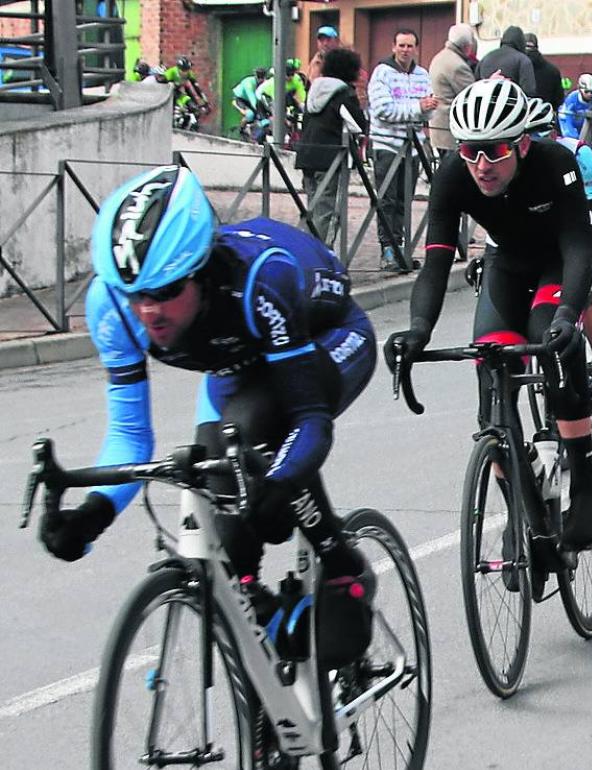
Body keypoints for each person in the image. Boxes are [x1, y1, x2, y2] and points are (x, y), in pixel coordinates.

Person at [42, 165, 376, 656]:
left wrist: (280, 484)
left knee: (252, 435)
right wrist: (93, 514)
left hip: (326, 340)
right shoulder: (110, 305)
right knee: (222, 510)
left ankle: (343, 566)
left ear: (199, 270)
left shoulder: (262, 280)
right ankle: (268, 672)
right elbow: (131, 436)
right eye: (138, 296)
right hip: (233, 369)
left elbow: (309, 420)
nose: (149, 311)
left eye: (165, 292)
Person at [386, 78, 592, 552]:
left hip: (558, 260)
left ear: (523, 143)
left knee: (550, 338)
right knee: (492, 372)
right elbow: (438, 258)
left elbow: (578, 244)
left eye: (495, 150)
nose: (482, 165)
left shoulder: (555, 164)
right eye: (470, 151)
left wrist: (570, 311)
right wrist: (418, 330)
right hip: (506, 265)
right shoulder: (453, 174)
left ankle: (584, 484)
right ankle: (520, 510)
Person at [527, 98, 592, 411]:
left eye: (543, 134)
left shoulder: (578, 153)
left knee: (588, 295)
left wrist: (579, 249)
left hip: (581, 231)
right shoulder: (514, 160)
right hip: (538, 239)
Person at [368, 28, 437, 272]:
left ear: (416, 48)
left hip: (413, 148)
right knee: (387, 200)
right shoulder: (381, 73)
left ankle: (402, 249)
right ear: (393, 47)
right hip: (387, 146)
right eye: (401, 45)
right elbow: (382, 110)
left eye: (410, 46)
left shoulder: (422, 74)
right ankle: (388, 250)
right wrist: (417, 107)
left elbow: (428, 110)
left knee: (404, 201)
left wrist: (425, 108)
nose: (405, 50)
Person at [296, 48, 368, 247]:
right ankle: (320, 257)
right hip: (330, 159)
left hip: (307, 155)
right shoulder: (344, 93)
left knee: (311, 207)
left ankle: (304, 249)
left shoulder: (314, 89)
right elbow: (358, 124)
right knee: (327, 211)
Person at [428, 23, 477, 157]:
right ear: (467, 46)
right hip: (450, 133)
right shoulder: (457, 65)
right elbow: (473, 95)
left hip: (439, 129)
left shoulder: (440, 57)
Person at [474, 25, 536, 95]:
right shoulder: (523, 60)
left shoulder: (485, 58)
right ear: (522, 43)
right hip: (512, 104)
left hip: (485, 103)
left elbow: (475, 87)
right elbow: (529, 91)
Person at [559, 73, 592, 140]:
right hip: (569, 123)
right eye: (586, 92)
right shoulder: (572, 99)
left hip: (586, 123)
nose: (589, 94)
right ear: (579, 89)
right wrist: (572, 136)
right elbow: (567, 120)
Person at [524, 33, 564, 116]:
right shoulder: (553, 70)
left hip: (521, 117)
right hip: (544, 116)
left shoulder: (517, 67)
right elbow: (558, 100)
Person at [231, 67, 268, 136]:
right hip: (240, 99)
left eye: (263, 79)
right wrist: (260, 112)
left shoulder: (264, 82)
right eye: (260, 79)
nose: (262, 81)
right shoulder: (249, 83)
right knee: (250, 114)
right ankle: (241, 130)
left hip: (250, 99)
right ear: (256, 77)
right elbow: (252, 99)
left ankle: (252, 128)